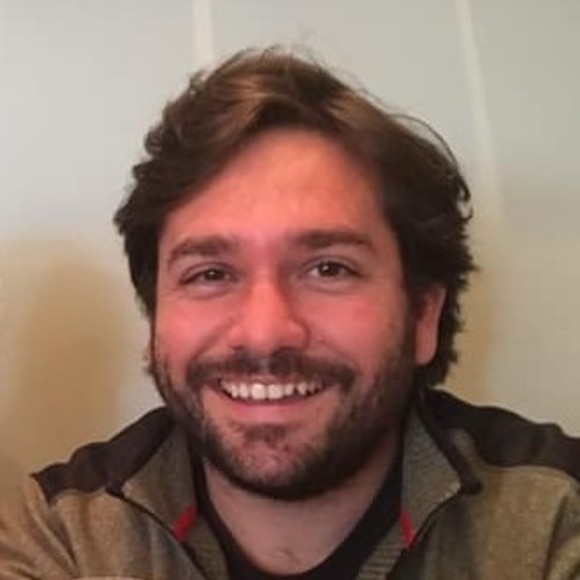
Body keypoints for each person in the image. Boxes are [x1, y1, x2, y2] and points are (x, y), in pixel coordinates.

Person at [0, 48, 579, 580]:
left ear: (423, 315)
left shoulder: (554, 518)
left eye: (328, 268)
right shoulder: (62, 536)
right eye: (210, 274)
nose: (265, 333)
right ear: (155, 323)